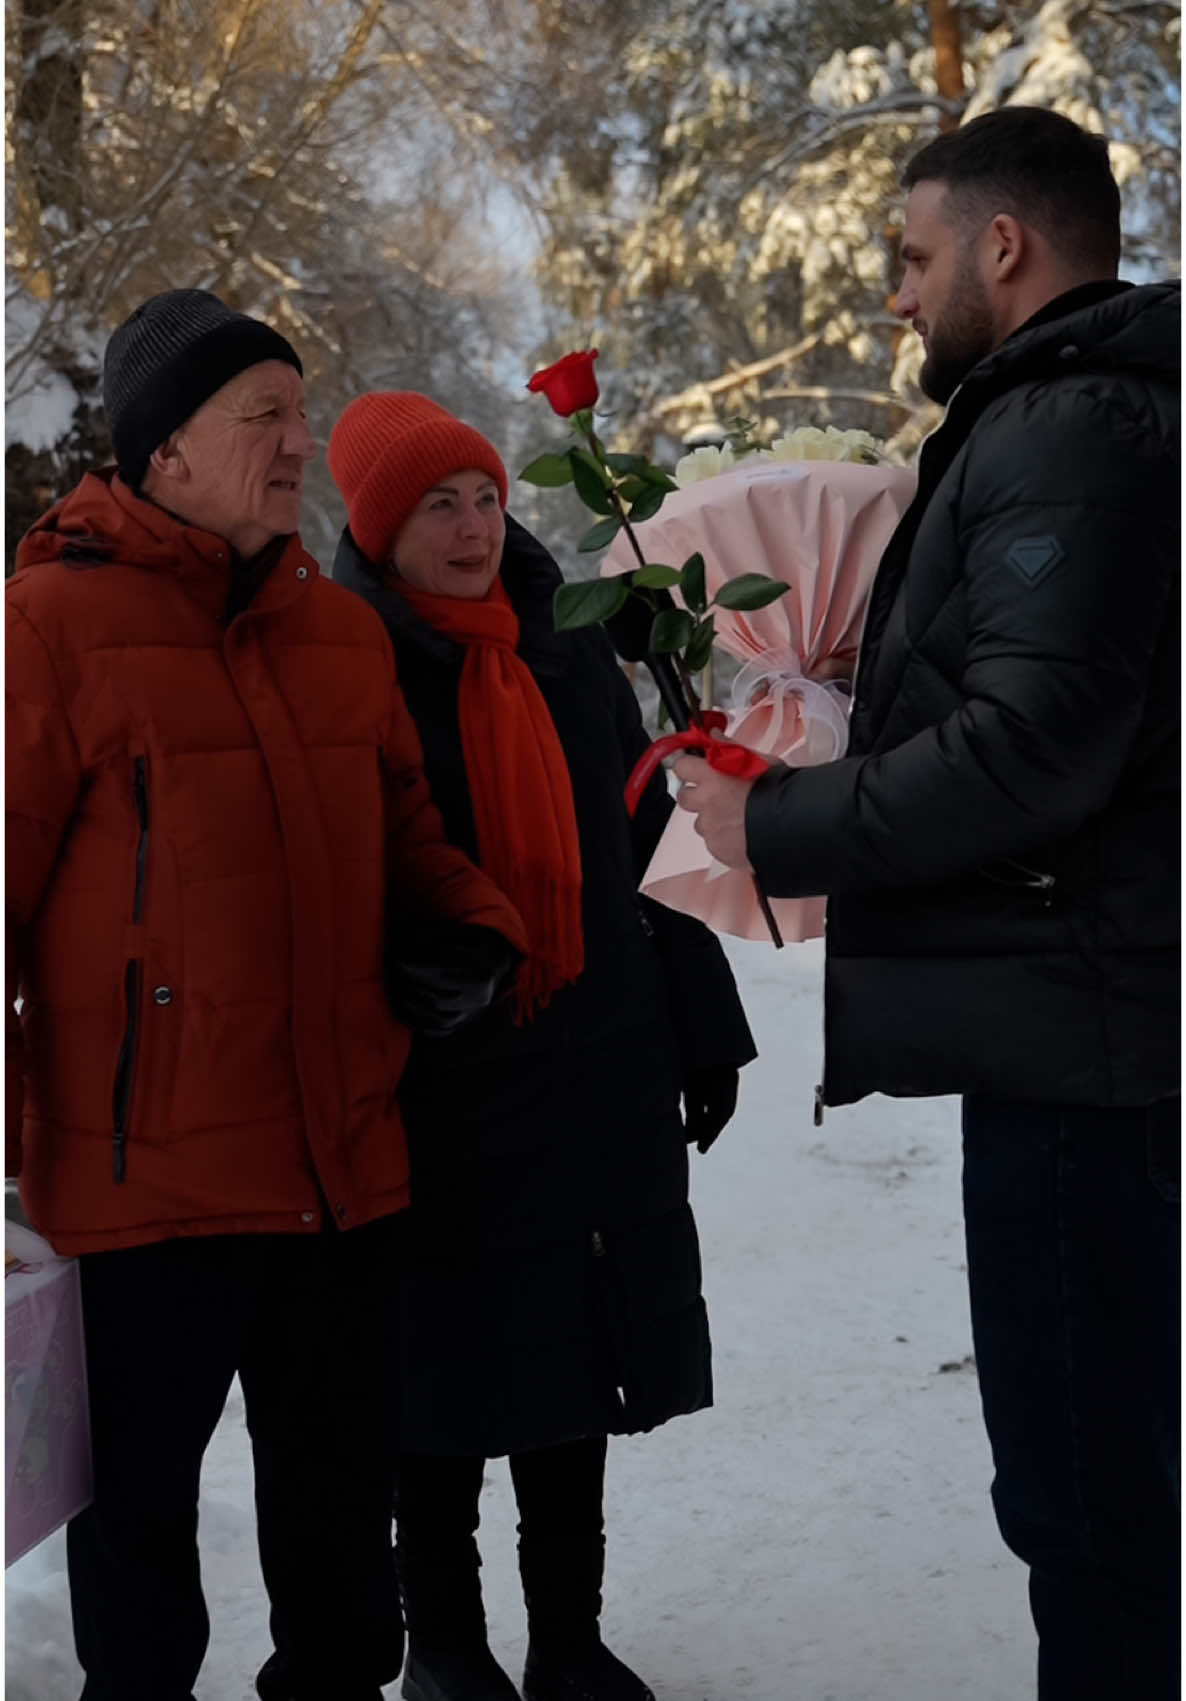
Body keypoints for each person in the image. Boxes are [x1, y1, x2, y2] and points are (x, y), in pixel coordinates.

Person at [674, 106, 1179, 1699]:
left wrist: (780, 819)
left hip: (1079, 1045)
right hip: (1091, 1018)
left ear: (1002, 245)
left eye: (910, 256)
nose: (894, 296)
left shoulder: (1065, 423)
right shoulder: (1092, 416)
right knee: (1100, 1485)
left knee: (1084, 1496)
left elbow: (1033, 749)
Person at [6, 290, 528, 1701]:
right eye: (265, 419)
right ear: (165, 447)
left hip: (338, 1173)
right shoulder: (45, 625)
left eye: (302, 414)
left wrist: (468, 924)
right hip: (142, 1195)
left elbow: (405, 832)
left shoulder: (336, 634)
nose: (302, 444)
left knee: (343, 1565)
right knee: (141, 1571)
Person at [326, 391, 757, 1701]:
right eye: (433, 507)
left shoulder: (568, 651)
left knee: (578, 1359)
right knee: (438, 1372)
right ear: (375, 528)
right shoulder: (347, 663)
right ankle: (444, 1645)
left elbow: (641, 843)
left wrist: (702, 1022)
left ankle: (568, 1634)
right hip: (439, 1075)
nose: (468, 528)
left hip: (593, 1057)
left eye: (482, 497)